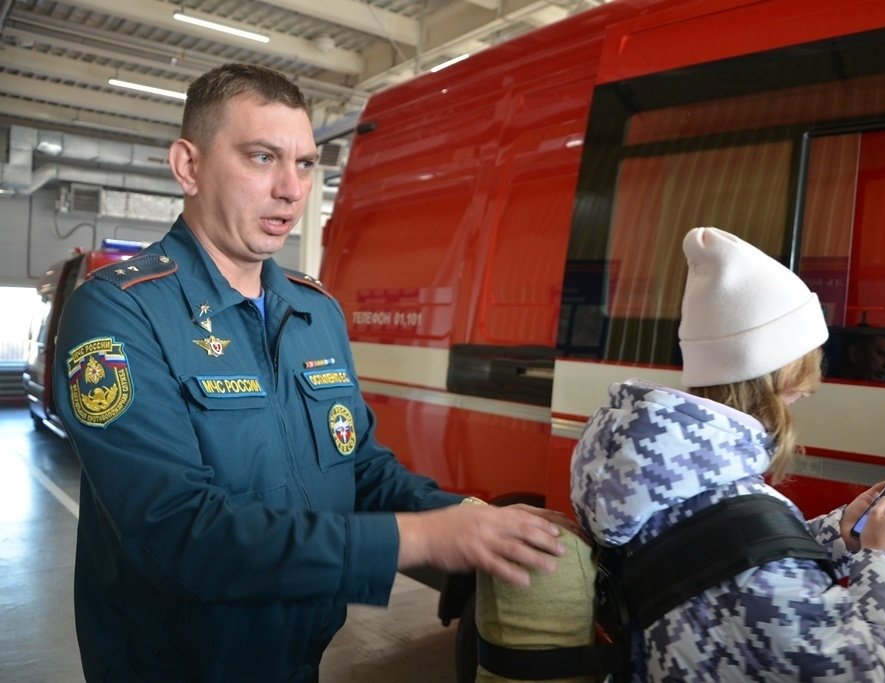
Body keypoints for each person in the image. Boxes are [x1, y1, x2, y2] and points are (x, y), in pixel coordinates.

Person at [53, 63, 567, 682]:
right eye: (262, 157)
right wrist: (425, 541)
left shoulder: (313, 310)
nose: (291, 189)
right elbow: (181, 533)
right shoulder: (120, 310)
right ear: (189, 167)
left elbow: (361, 469)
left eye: (304, 164)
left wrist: (474, 518)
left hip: (300, 657)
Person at [571, 227, 885, 682]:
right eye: (808, 361)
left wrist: (839, 534)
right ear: (780, 369)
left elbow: (716, 566)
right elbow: (881, 674)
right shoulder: (724, 497)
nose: (812, 383)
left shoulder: (653, 470)